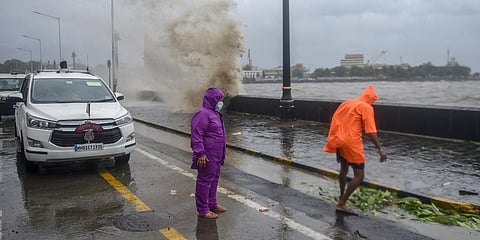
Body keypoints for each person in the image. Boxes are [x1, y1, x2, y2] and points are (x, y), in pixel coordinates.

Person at [323, 85, 387, 215]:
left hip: (339, 139)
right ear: (370, 99)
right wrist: (380, 148)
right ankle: (341, 204)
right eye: (373, 101)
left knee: (344, 169)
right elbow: (370, 131)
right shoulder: (366, 107)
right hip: (352, 143)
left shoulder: (347, 103)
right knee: (359, 175)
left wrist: (334, 137)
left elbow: (335, 120)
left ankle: (342, 196)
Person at [191, 87, 227, 219]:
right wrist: (200, 153)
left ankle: (212, 203)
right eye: (219, 99)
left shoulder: (215, 113)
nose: (221, 102)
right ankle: (203, 210)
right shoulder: (203, 113)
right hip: (207, 154)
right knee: (204, 181)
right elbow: (196, 135)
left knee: (214, 179)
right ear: (213, 100)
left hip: (217, 154)